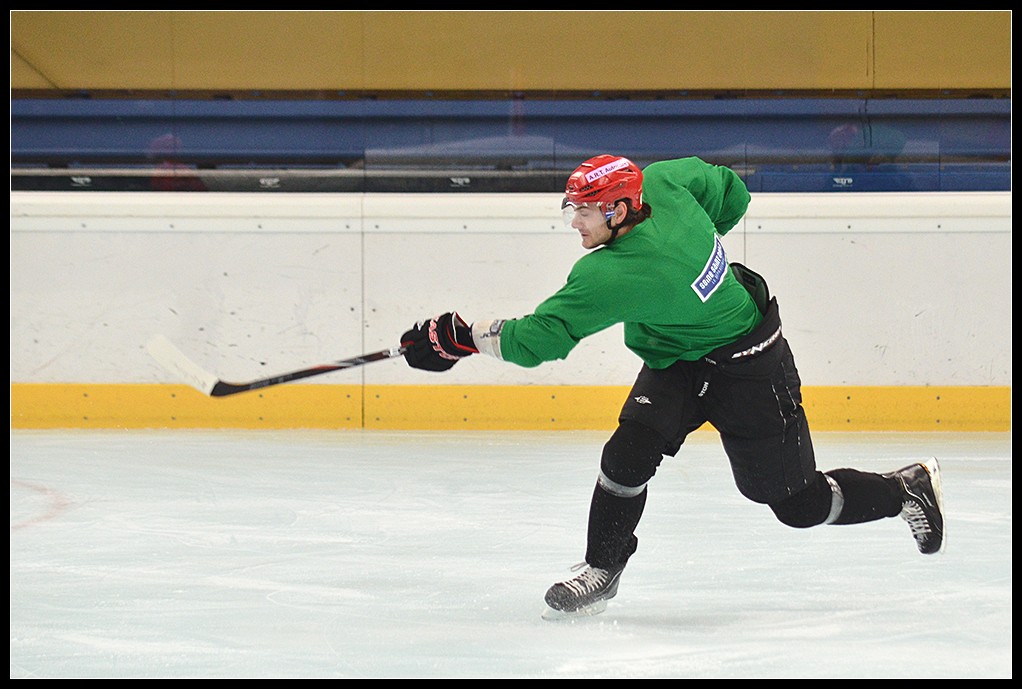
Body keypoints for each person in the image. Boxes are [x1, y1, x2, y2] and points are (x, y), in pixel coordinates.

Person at [400, 155, 946, 619]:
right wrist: (702, 252)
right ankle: (602, 570)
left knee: (794, 504)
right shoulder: (664, 181)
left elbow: (542, 340)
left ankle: (904, 489)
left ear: (618, 209)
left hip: (749, 365)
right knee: (625, 456)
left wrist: (463, 338)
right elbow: (732, 192)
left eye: (585, 212)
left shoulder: (611, 274)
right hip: (677, 362)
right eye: (573, 210)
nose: (575, 223)